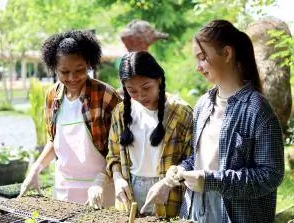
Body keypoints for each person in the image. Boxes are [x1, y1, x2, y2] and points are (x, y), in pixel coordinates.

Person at [164, 20, 284, 223]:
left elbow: (270, 175)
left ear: (227, 53)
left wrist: (210, 181)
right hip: (196, 210)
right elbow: (200, 158)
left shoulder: (257, 108)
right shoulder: (203, 104)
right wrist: (183, 168)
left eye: (202, 58)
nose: (198, 67)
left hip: (237, 214)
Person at [19, 30, 121, 209]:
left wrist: (100, 181)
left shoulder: (105, 95)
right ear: (54, 68)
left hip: (101, 189)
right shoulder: (52, 96)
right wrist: (36, 168)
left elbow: (121, 148)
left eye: (79, 70)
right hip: (64, 187)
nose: (72, 78)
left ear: (89, 64)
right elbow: (54, 141)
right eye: (64, 72)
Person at [104, 51, 193, 217]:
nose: (140, 95)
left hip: (169, 190)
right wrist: (117, 178)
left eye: (146, 87)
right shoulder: (121, 112)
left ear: (158, 79)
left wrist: (168, 183)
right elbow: (113, 155)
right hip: (129, 189)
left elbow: (192, 159)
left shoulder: (181, 112)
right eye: (132, 90)